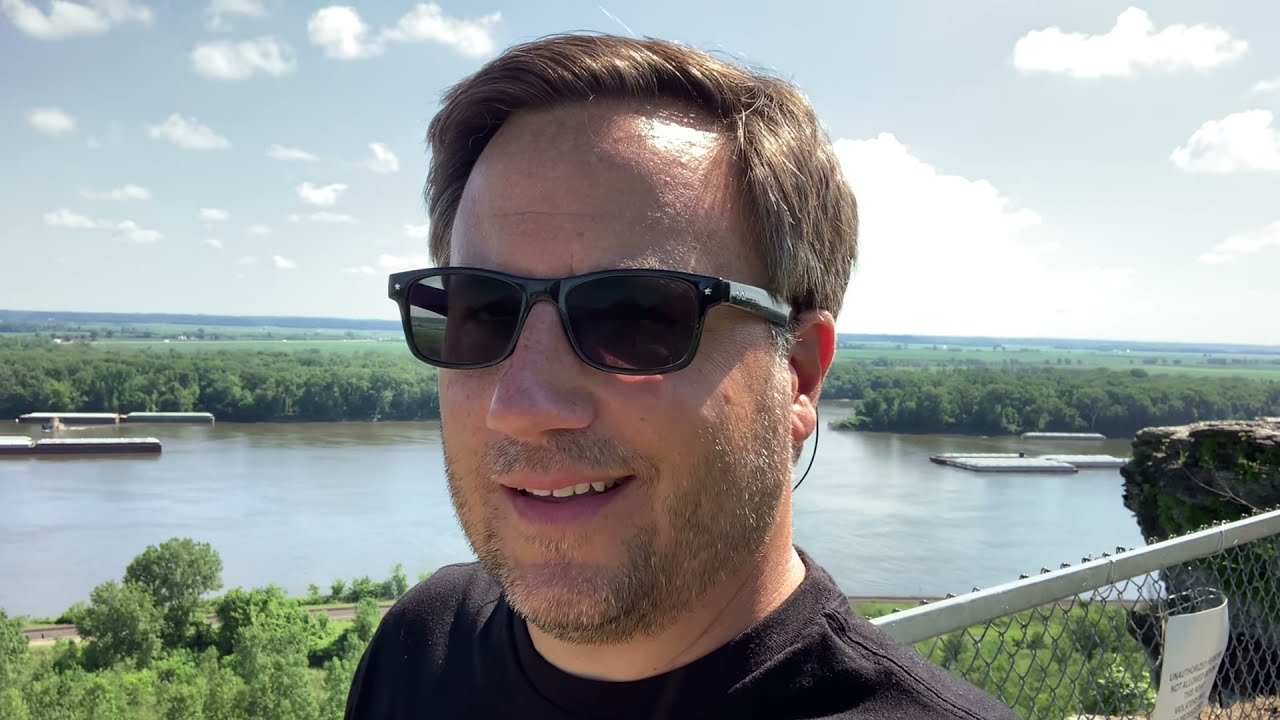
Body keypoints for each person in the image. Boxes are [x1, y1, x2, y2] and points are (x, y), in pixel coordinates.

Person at [346, 33, 1018, 720]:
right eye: (483, 313)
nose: (521, 404)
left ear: (798, 372)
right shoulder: (420, 646)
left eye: (634, 317)